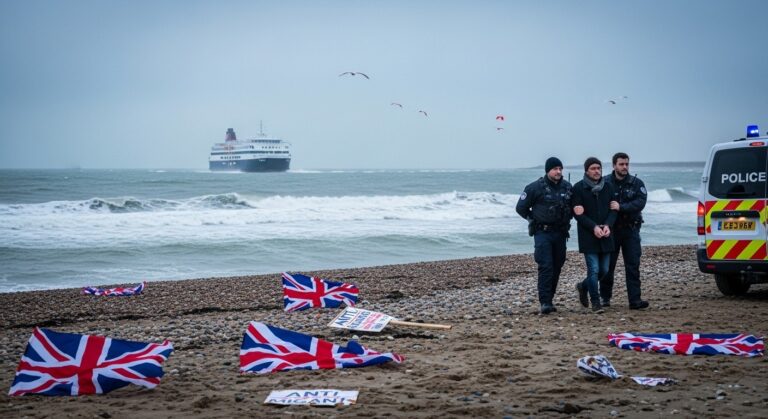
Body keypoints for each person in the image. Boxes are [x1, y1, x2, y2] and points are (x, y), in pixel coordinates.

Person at [516, 157, 573, 315]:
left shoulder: (567, 187)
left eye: (560, 169)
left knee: (557, 265)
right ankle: (545, 302)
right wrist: (532, 219)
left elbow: (574, 207)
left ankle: (550, 298)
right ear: (548, 170)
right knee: (546, 265)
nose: (558, 172)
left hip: (560, 233)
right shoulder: (534, 187)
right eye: (555, 169)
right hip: (543, 233)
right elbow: (520, 208)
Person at [602, 152, 649, 309]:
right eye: (621, 164)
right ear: (614, 165)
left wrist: (621, 207)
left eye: (627, 164)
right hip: (612, 231)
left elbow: (640, 202)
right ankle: (605, 298)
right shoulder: (605, 182)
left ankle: (635, 300)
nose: (624, 167)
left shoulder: (636, 183)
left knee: (633, 266)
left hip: (631, 230)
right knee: (608, 266)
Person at [572, 157, 617, 313]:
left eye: (599, 168)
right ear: (586, 171)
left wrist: (608, 225)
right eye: (593, 168)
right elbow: (578, 214)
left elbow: (613, 210)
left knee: (604, 270)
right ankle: (595, 302)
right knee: (594, 270)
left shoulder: (608, 186)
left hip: (606, 234)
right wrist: (593, 227)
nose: (597, 171)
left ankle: (582, 286)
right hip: (588, 235)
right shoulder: (578, 188)